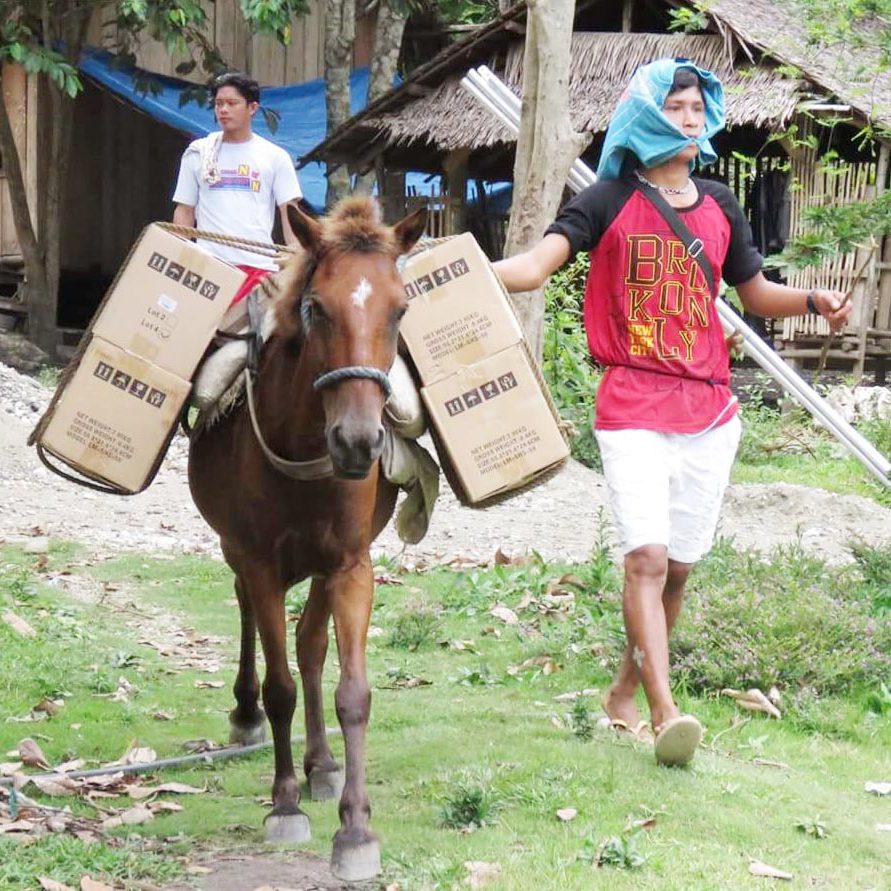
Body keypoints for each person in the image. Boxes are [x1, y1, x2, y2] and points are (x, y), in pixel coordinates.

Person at [493, 59, 852, 767]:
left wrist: (812, 301)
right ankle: (665, 711)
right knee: (646, 559)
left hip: (710, 410)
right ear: (646, 116)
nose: (689, 117)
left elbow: (752, 294)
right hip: (631, 403)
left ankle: (623, 692)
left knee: (680, 569)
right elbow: (533, 268)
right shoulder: (605, 199)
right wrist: (446, 267)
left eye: (696, 107)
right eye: (675, 105)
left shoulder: (718, 202)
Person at [172, 72, 303, 306]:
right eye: (219, 104)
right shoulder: (199, 152)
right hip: (208, 267)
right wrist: (179, 258)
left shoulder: (275, 157)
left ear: (252, 107)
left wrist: (295, 256)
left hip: (258, 269)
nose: (223, 110)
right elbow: (185, 210)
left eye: (232, 104)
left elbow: (289, 211)